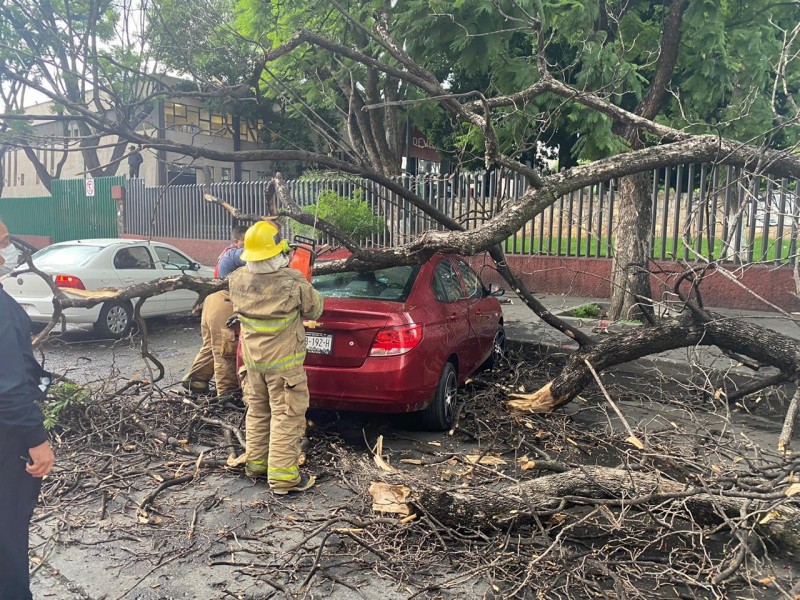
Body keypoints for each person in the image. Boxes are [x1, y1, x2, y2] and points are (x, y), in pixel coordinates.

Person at [228, 220, 323, 494]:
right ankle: (283, 479)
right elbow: (315, 309)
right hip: (284, 368)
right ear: (278, 253)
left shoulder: (236, 279)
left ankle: (256, 466)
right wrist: (302, 276)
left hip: (252, 364)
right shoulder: (291, 281)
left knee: (257, 413)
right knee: (286, 417)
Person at [0, 285, 55, 599]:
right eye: (3, 241)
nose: (7, 250)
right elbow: (7, 385)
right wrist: (36, 439)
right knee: (8, 529)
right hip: (6, 439)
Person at [181, 225, 248, 399]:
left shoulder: (226, 253)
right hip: (224, 303)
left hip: (212, 302)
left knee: (212, 345)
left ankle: (196, 380)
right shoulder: (236, 253)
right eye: (247, 241)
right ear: (236, 241)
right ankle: (228, 394)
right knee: (226, 349)